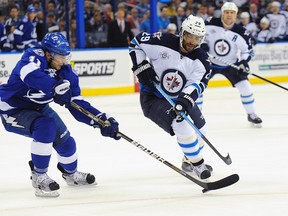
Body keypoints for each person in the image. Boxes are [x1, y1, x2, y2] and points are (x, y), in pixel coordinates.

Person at [0, 32, 121, 197]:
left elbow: (77, 105)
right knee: (45, 126)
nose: (64, 61)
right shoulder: (32, 57)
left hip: (39, 108)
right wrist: (54, 87)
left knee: (66, 141)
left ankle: (71, 174)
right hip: (12, 108)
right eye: (60, 57)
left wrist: (101, 120)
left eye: (66, 56)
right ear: (48, 54)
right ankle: (38, 175)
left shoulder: (66, 73)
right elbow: (30, 75)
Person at [129, 15, 213, 180]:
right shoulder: (162, 41)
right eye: (189, 35)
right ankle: (198, 164)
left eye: (196, 38)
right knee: (181, 121)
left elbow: (198, 84)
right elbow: (136, 43)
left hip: (178, 98)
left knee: (201, 130)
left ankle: (188, 160)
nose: (191, 41)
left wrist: (184, 100)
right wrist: (141, 66)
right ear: (182, 32)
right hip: (153, 98)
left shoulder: (202, 60)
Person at [201, 2, 262, 126]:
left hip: (231, 65)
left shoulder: (242, 32)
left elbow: (248, 51)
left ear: (236, 15)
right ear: (222, 13)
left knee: (245, 87)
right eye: (227, 12)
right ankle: (195, 115)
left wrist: (244, 62)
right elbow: (198, 35)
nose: (229, 15)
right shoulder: (209, 22)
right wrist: (201, 44)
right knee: (197, 86)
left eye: (232, 13)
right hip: (209, 63)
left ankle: (251, 114)